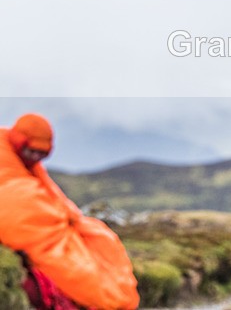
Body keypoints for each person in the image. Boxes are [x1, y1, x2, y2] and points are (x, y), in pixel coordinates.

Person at [0, 113, 140, 310]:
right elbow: (15, 204)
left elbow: (52, 196)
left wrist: (69, 217)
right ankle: (104, 298)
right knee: (81, 273)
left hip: (51, 223)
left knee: (102, 240)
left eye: (41, 155)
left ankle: (111, 296)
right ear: (19, 142)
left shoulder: (26, 163)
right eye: (31, 152)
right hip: (34, 227)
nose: (35, 159)